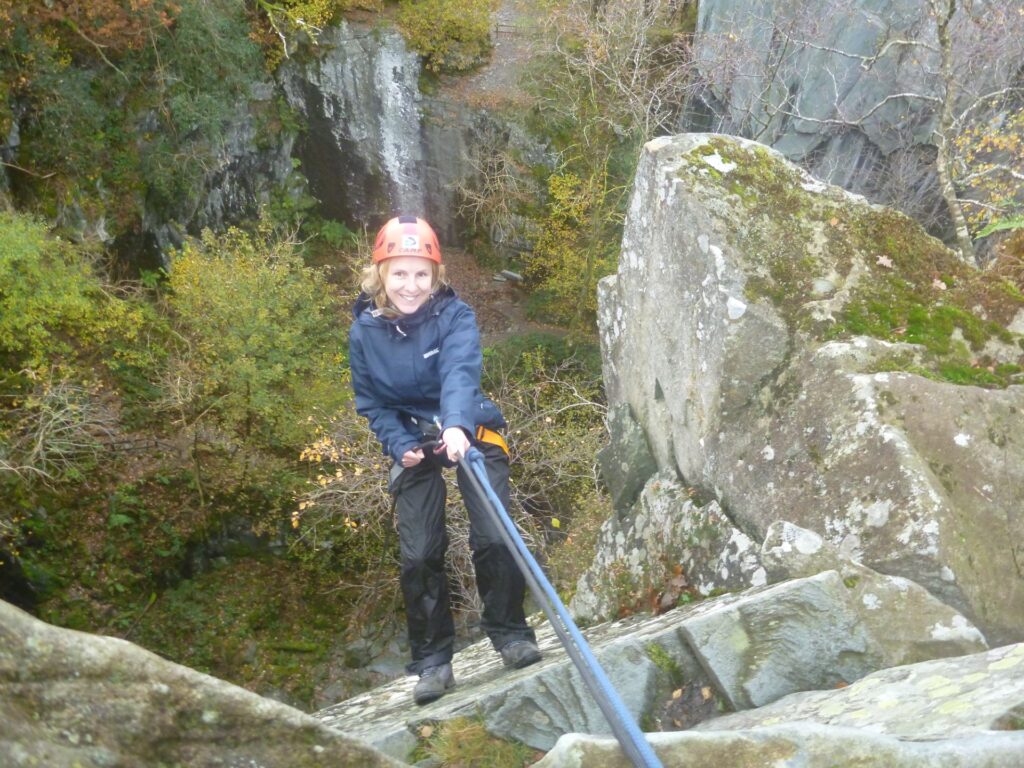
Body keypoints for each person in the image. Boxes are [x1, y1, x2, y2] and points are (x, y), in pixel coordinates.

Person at [348, 215, 541, 705]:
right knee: (419, 554)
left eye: (420, 274)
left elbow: (460, 370)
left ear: (435, 276)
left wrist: (455, 423)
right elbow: (371, 402)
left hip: (467, 423)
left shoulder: (456, 316)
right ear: (380, 274)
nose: (410, 285)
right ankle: (433, 663)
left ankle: (511, 634)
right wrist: (398, 444)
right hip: (412, 437)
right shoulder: (364, 332)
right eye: (399, 273)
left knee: (495, 534)